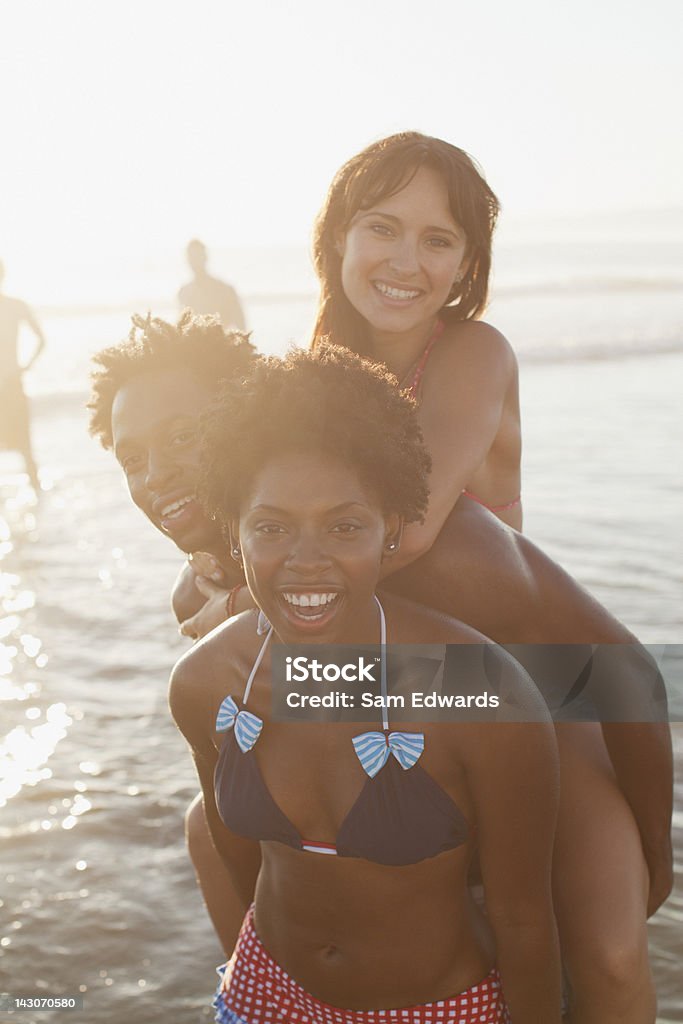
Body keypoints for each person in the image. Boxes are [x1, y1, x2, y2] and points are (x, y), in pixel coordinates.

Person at [309, 131, 670, 1022]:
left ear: (469, 262)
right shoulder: (305, 377)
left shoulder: (471, 350)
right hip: (392, 693)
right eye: (382, 228)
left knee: (611, 956)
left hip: (532, 690)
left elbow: (413, 524)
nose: (406, 261)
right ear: (336, 240)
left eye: (439, 240)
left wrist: (247, 588)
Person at [170, 344, 562, 1023]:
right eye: (271, 527)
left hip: (440, 1011)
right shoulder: (205, 682)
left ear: (391, 530)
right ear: (234, 533)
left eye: (344, 526)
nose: (306, 561)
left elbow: (524, 920)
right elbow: (238, 857)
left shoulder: (480, 694)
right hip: (264, 995)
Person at [88, 310, 256, 952]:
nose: (154, 475)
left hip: (488, 766)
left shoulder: (345, 539)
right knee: (204, 828)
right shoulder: (195, 593)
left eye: (183, 437)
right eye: (132, 458)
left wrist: (257, 610)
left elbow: (559, 682)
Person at [0, 259, 45, 488]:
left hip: (11, 382)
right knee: (24, 442)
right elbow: (41, 340)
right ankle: (35, 485)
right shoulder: (16, 305)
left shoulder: (17, 305)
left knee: (24, 441)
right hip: (13, 380)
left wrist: (26, 367)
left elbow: (41, 340)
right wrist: (25, 367)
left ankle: (36, 486)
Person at [179, 239, 247, 331]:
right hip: (194, 344)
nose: (195, 262)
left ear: (205, 258)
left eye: (198, 257)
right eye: (192, 257)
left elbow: (242, 326)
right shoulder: (184, 292)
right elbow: (181, 327)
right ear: (187, 260)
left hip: (221, 343)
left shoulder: (225, 289)